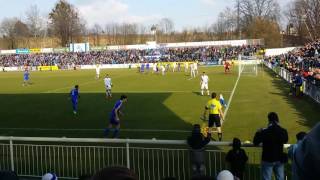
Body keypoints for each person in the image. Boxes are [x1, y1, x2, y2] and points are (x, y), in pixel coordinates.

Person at [253, 112, 288, 180]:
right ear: (277, 120)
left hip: (267, 159)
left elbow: (255, 142)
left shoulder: (265, 131)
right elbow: (285, 140)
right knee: (280, 178)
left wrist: (258, 132)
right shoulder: (283, 131)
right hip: (279, 159)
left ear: (269, 121)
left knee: (266, 178)